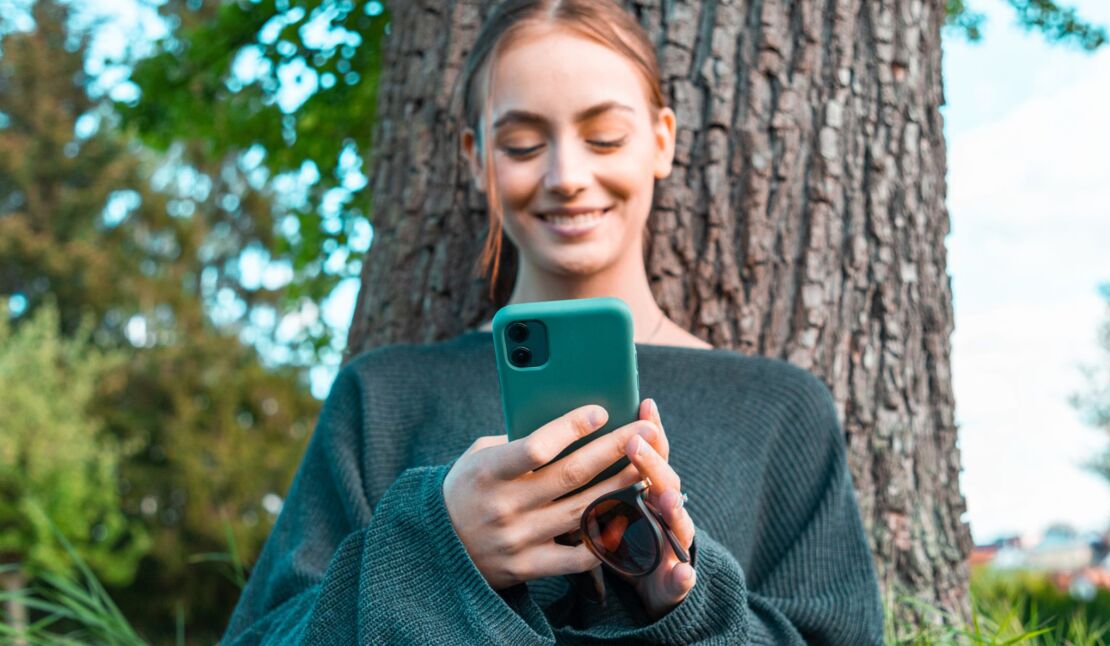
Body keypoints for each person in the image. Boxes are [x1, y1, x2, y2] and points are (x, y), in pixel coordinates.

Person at [222, 0, 883, 643]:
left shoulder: (778, 411)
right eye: (522, 143)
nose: (567, 176)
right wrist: (436, 550)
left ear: (660, 142)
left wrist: (682, 603)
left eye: (604, 137)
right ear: (475, 155)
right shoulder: (382, 398)